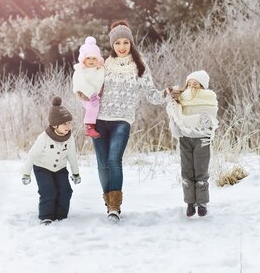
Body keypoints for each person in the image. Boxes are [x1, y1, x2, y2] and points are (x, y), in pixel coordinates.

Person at [77, 20, 166, 222]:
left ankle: (115, 207)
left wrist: (168, 94)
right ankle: (108, 202)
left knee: (113, 160)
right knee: (101, 163)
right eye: (118, 43)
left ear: (131, 43)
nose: (122, 47)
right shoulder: (104, 65)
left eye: (125, 42)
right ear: (112, 45)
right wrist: (82, 94)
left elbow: (153, 95)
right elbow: (89, 85)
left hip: (122, 121)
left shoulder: (140, 66)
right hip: (99, 119)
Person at [165, 70, 218, 217]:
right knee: (187, 171)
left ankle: (202, 203)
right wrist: (172, 101)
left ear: (202, 85)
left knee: (201, 171)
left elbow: (210, 120)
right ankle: (189, 203)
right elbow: (176, 115)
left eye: (196, 84)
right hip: (185, 137)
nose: (192, 86)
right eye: (189, 83)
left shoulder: (209, 99)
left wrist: (203, 120)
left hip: (202, 138)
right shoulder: (182, 99)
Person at [21, 96, 81, 224]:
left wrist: (76, 173)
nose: (68, 126)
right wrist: (26, 174)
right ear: (54, 125)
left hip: (60, 168)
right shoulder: (44, 138)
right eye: (64, 123)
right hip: (42, 168)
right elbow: (31, 155)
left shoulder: (69, 138)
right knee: (48, 191)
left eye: (69, 123)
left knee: (65, 190)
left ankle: (61, 216)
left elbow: (72, 156)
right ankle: (46, 216)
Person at [72, 36, 105, 138]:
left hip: (96, 94)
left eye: (94, 58)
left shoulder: (99, 69)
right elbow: (81, 83)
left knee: (96, 108)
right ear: (83, 59)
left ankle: (94, 124)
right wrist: (91, 94)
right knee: (93, 107)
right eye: (88, 58)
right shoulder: (80, 70)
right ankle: (89, 127)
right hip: (85, 94)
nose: (91, 60)